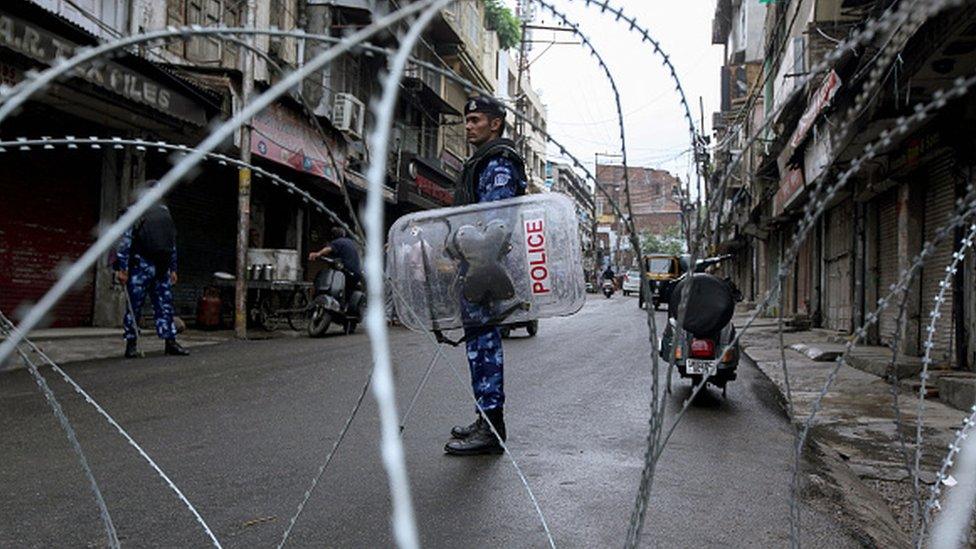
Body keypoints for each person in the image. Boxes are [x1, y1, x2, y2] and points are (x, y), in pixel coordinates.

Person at [444, 95, 527, 456]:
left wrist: (470, 253)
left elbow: (495, 225)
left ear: (495, 124)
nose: (469, 126)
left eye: (476, 119)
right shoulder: (481, 162)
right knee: (478, 348)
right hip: (476, 268)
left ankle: (492, 429)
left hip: (485, 270)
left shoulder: (498, 164)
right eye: (467, 120)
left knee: (485, 348)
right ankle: (485, 419)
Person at [115, 184, 189, 358]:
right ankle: (131, 344)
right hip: (140, 265)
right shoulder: (135, 212)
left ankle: (170, 342)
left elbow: (170, 242)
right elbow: (125, 243)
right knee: (135, 306)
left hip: (160, 268)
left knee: (165, 306)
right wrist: (123, 268)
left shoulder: (163, 212)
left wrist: (173, 268)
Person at [308, 227, 363, 291]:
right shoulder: (349, 242)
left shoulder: (338, 242)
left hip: (347, 273)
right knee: (347, 293)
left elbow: (328, 249)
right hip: (356, 274)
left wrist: (317, 254)